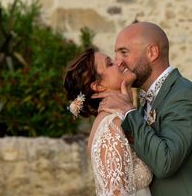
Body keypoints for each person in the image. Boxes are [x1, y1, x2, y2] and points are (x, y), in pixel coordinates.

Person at [95, 21, 192, 196]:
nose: (119, 63)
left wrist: (128, 111)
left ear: (152, 52)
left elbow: (165, 163)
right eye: (116, 55)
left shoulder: (183, 96)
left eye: (124, 52)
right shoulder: (146, 101)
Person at [64, 47, 153, 196]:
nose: (119, 62)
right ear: (98, 86)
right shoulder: (111, 125)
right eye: (110, 63)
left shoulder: (119, 118)